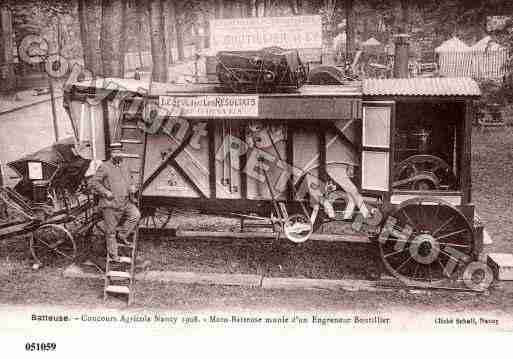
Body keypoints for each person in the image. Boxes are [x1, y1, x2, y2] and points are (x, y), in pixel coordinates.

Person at [90, 147, 140, 261]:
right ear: (111, 153)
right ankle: (114, 255)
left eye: (119, 152)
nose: (117, 154)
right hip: (110, 204)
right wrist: (105, 192)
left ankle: (122, 235)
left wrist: (132, 186)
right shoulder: (104, 166)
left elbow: (131, 179)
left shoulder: (125, 166)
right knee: (110, 231)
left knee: (136, 215)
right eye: (115, 152)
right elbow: (94, 182)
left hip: (125, 202)